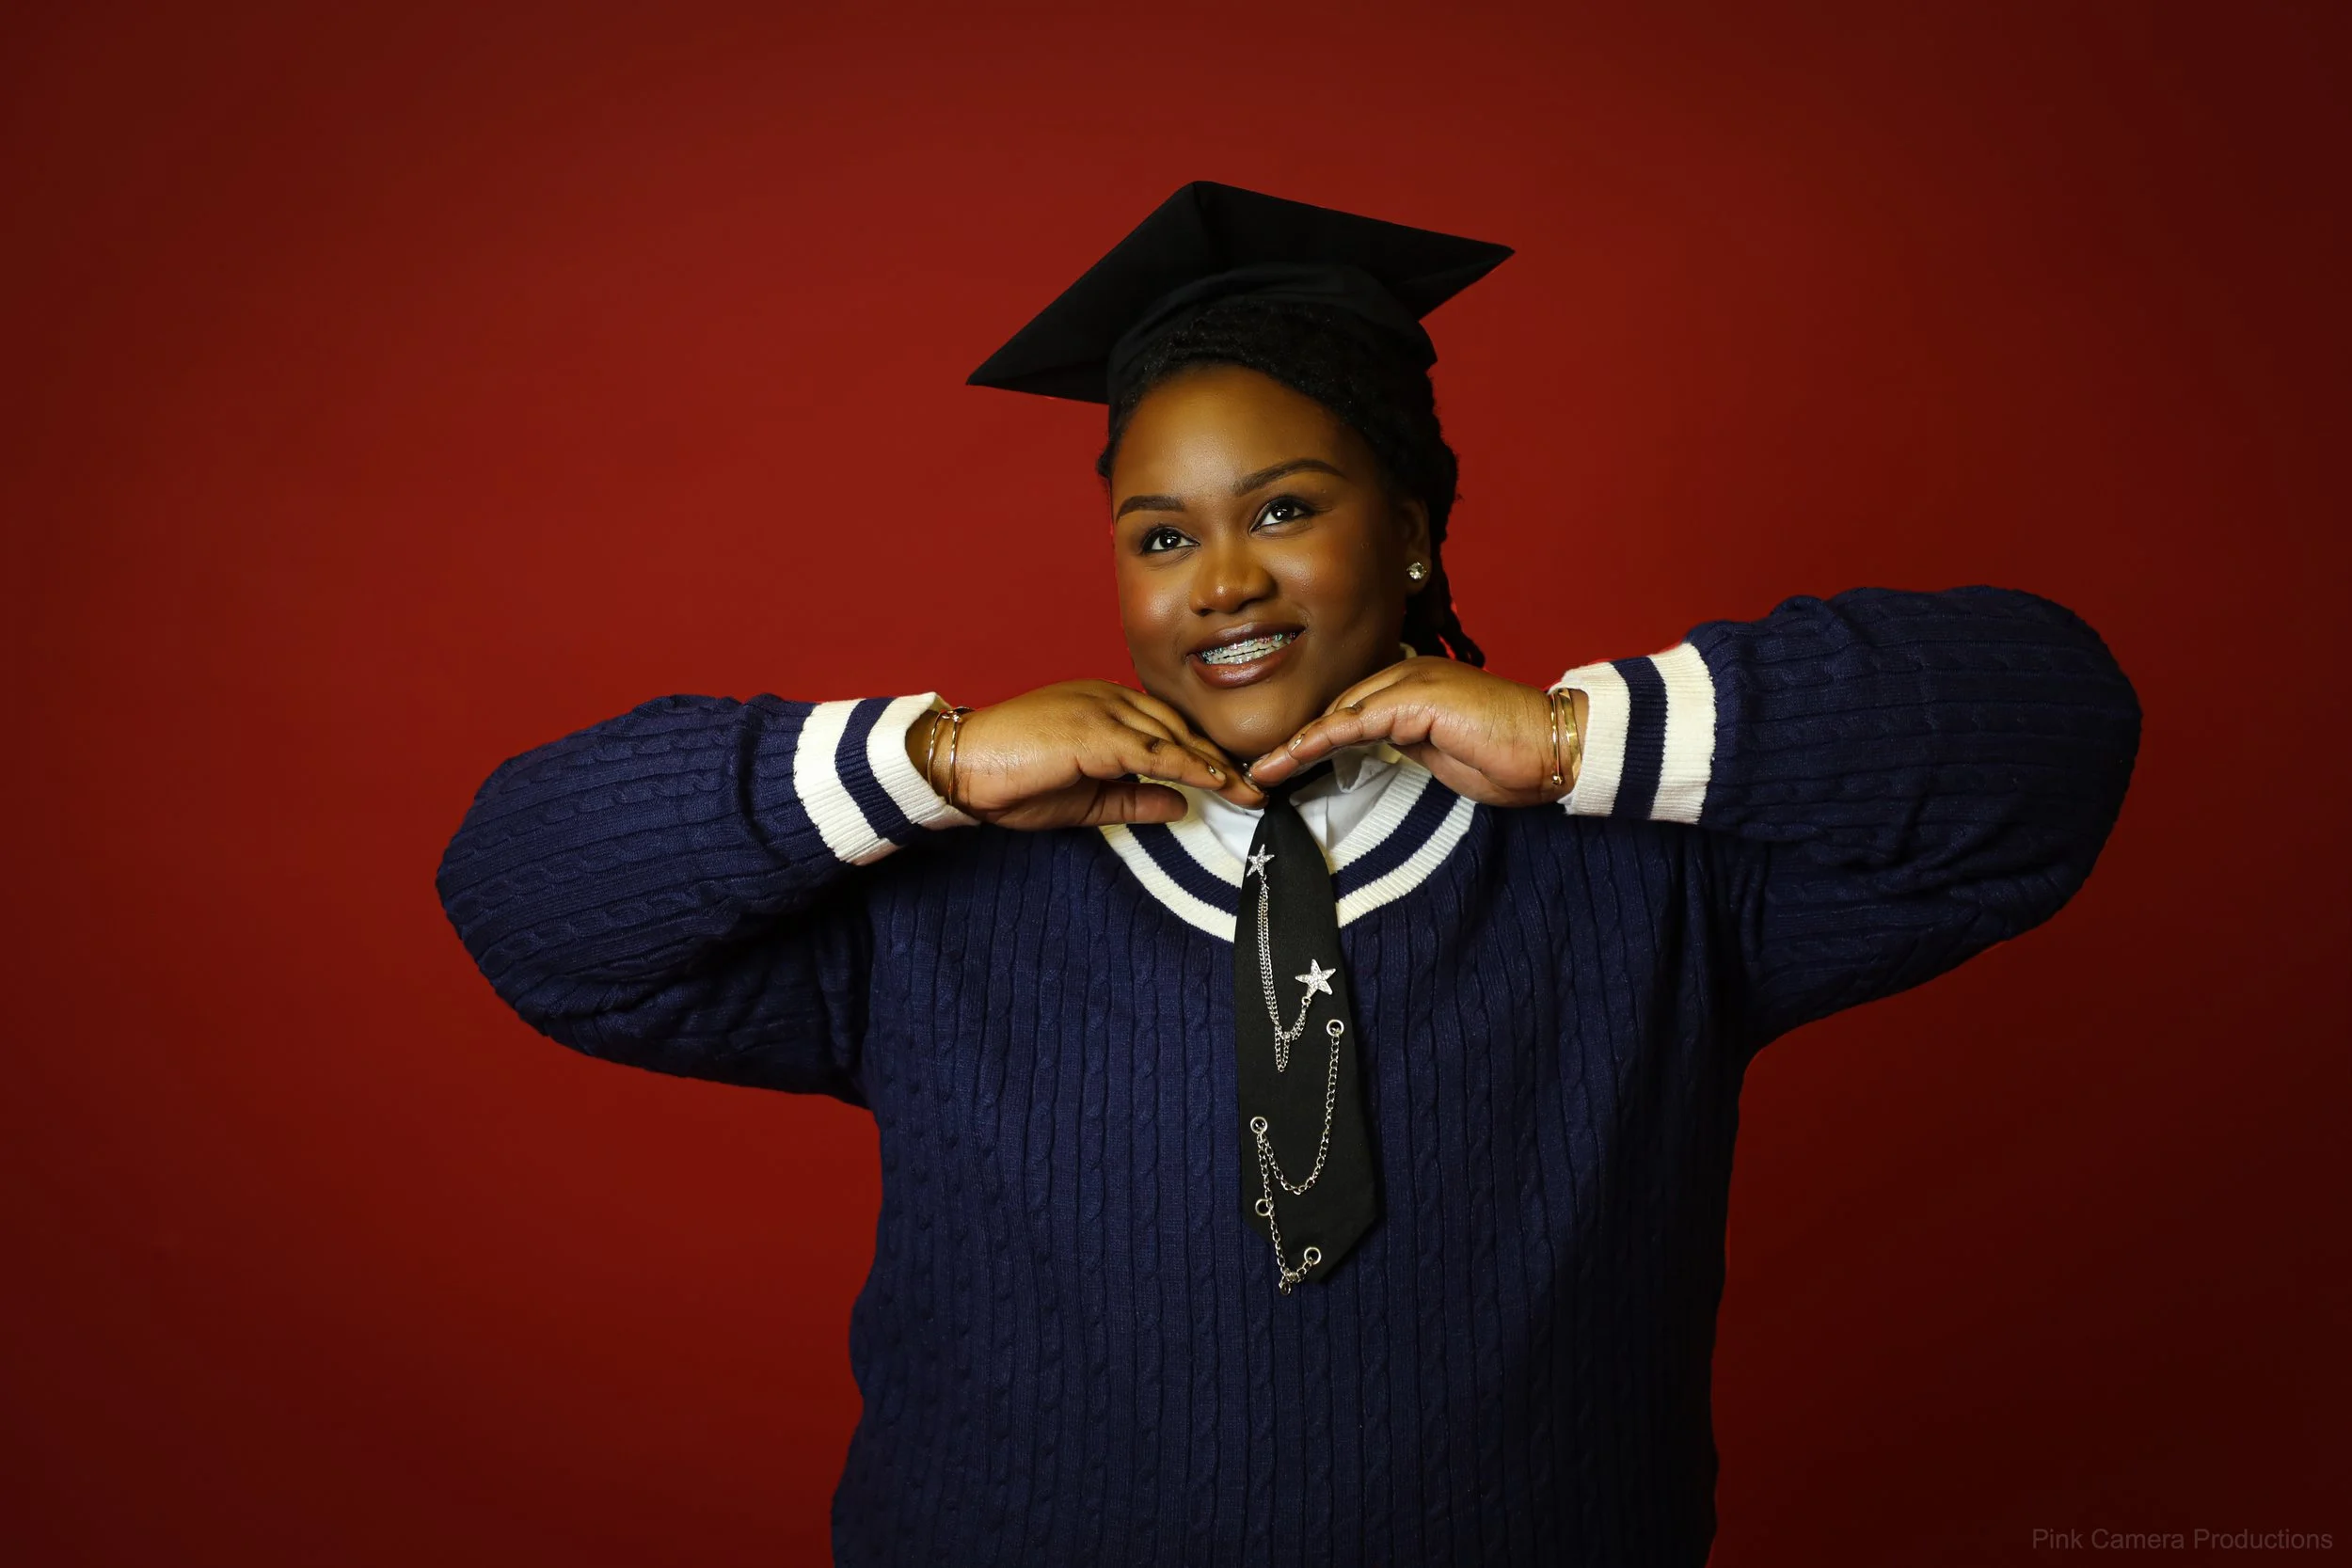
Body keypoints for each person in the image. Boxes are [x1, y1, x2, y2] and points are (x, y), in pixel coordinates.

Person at [436, 182, 2141, 1567]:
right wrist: (932, 763)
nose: (1220, 583)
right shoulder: (939, 898)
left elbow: (2050, 741)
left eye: (1288, 509)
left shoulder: (1655, 876)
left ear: (1411, 528)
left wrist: (1567, 741)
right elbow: (529, 900)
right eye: (1161, 534)